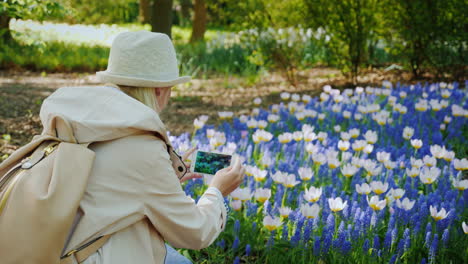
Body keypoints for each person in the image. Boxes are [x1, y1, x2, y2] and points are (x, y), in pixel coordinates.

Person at [40, 30, 245, 263]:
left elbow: (97, 187)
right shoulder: (142, 146)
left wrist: (165, 180)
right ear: (159, 90)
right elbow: (195, 233)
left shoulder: (71, 121)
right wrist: (217, 192)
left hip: (49, 245)